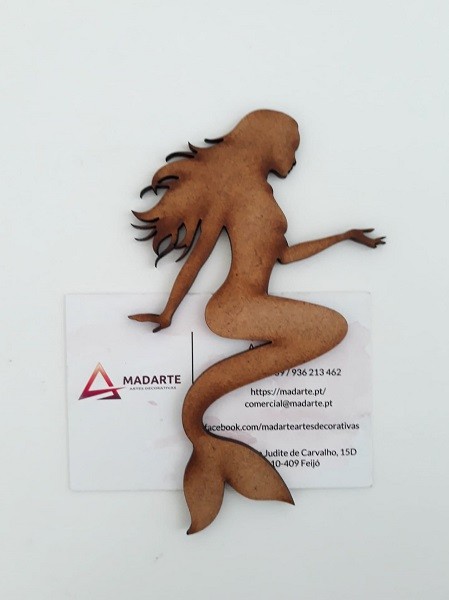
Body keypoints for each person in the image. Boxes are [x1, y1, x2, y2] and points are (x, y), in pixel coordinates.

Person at [130, 110, 385, 534]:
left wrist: (342, 237)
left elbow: (283, 256)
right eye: (292, 148)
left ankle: (203, 434)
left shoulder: (264, 195)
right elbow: (199, 257)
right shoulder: (235, 190)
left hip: (251, 303)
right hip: (235, 306)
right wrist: (168, 312)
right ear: (267, 142)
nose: (294, 160)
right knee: (331, 327)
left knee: (329, 329)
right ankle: (204, 427)